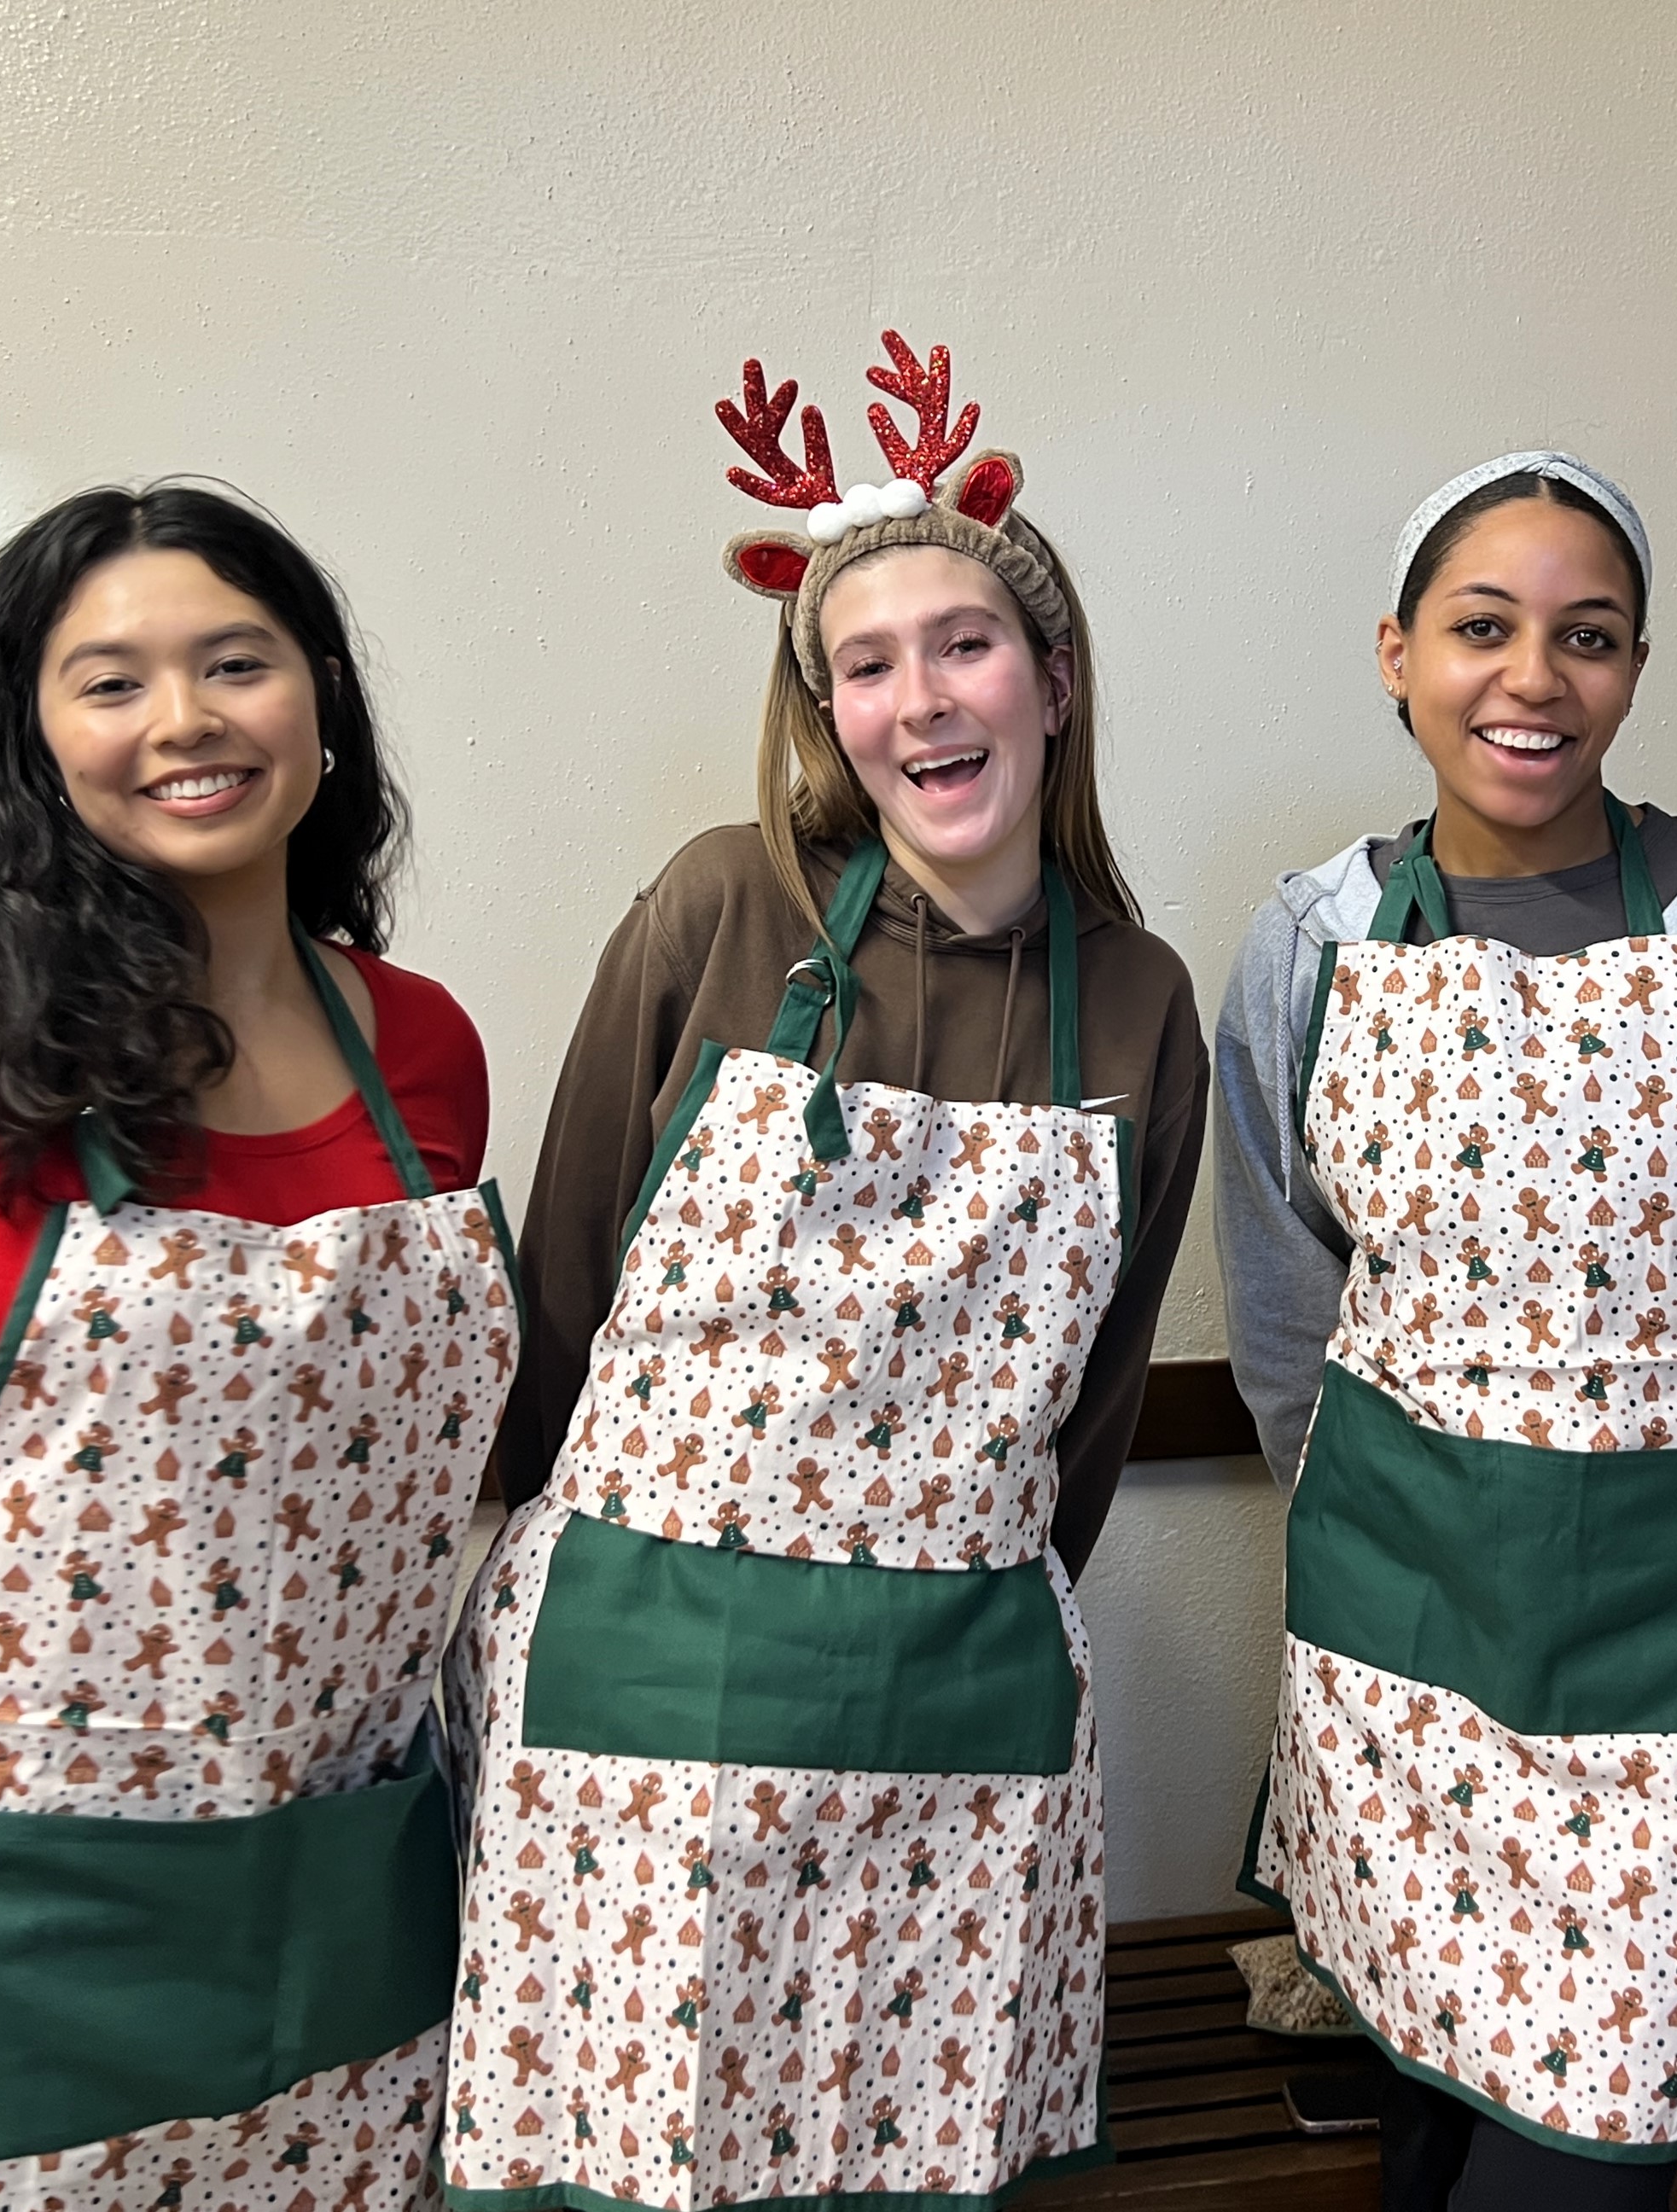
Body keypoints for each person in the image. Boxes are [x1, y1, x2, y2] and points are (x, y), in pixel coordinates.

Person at [439, 334, 1206, 2203]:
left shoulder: (1143, 1004)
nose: (920, 700)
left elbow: (1088, 1426)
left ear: (1055, 680)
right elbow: (565, 1281)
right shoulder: (721, 906)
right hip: (646, 1700)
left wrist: (947, 1607)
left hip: (957, 1728)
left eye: (964, 644)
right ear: (826, 710)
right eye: (866, 665)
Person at [1215, 453, 1677, 2205]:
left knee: (1593, 2140)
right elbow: (1283, 1289)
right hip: (1399, 1641)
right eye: (1483, 628)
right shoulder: (1312, 946)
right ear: (1396, 653)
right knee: (1425, 2123)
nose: (1535, 679)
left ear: (1634, 665)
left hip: (1667, 1645)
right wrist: (1350, 1508)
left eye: (1588, 637)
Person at [0, 483, 511, 2189]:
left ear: (322, 706)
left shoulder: (426, 1052)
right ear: (35, 734)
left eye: (236, 663)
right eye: (112, 681)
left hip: (338, 1890)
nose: (187, 723)